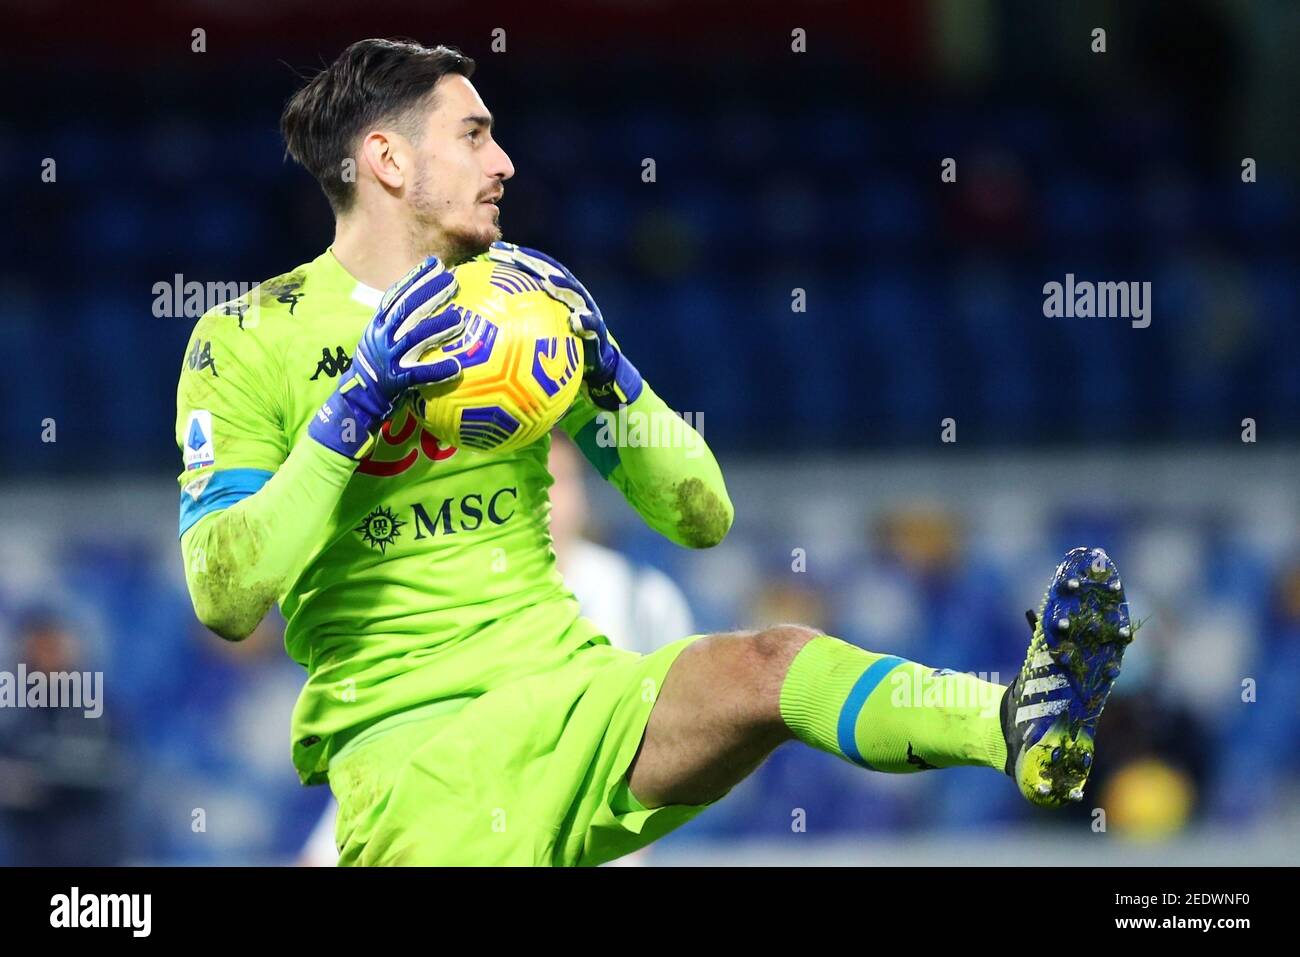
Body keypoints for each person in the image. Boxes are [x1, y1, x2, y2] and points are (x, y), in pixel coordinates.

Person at [176, 38, 1134, 866]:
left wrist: (608, 367)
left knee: (772, 663)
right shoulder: (249, 338)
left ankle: (1012, 723)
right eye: (473, 135)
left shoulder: (522, 311)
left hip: (579, 697)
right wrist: (358, 403)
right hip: (417, 755)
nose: (503, 161)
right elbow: (227, 595)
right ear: (387, 159)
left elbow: (701, 513)